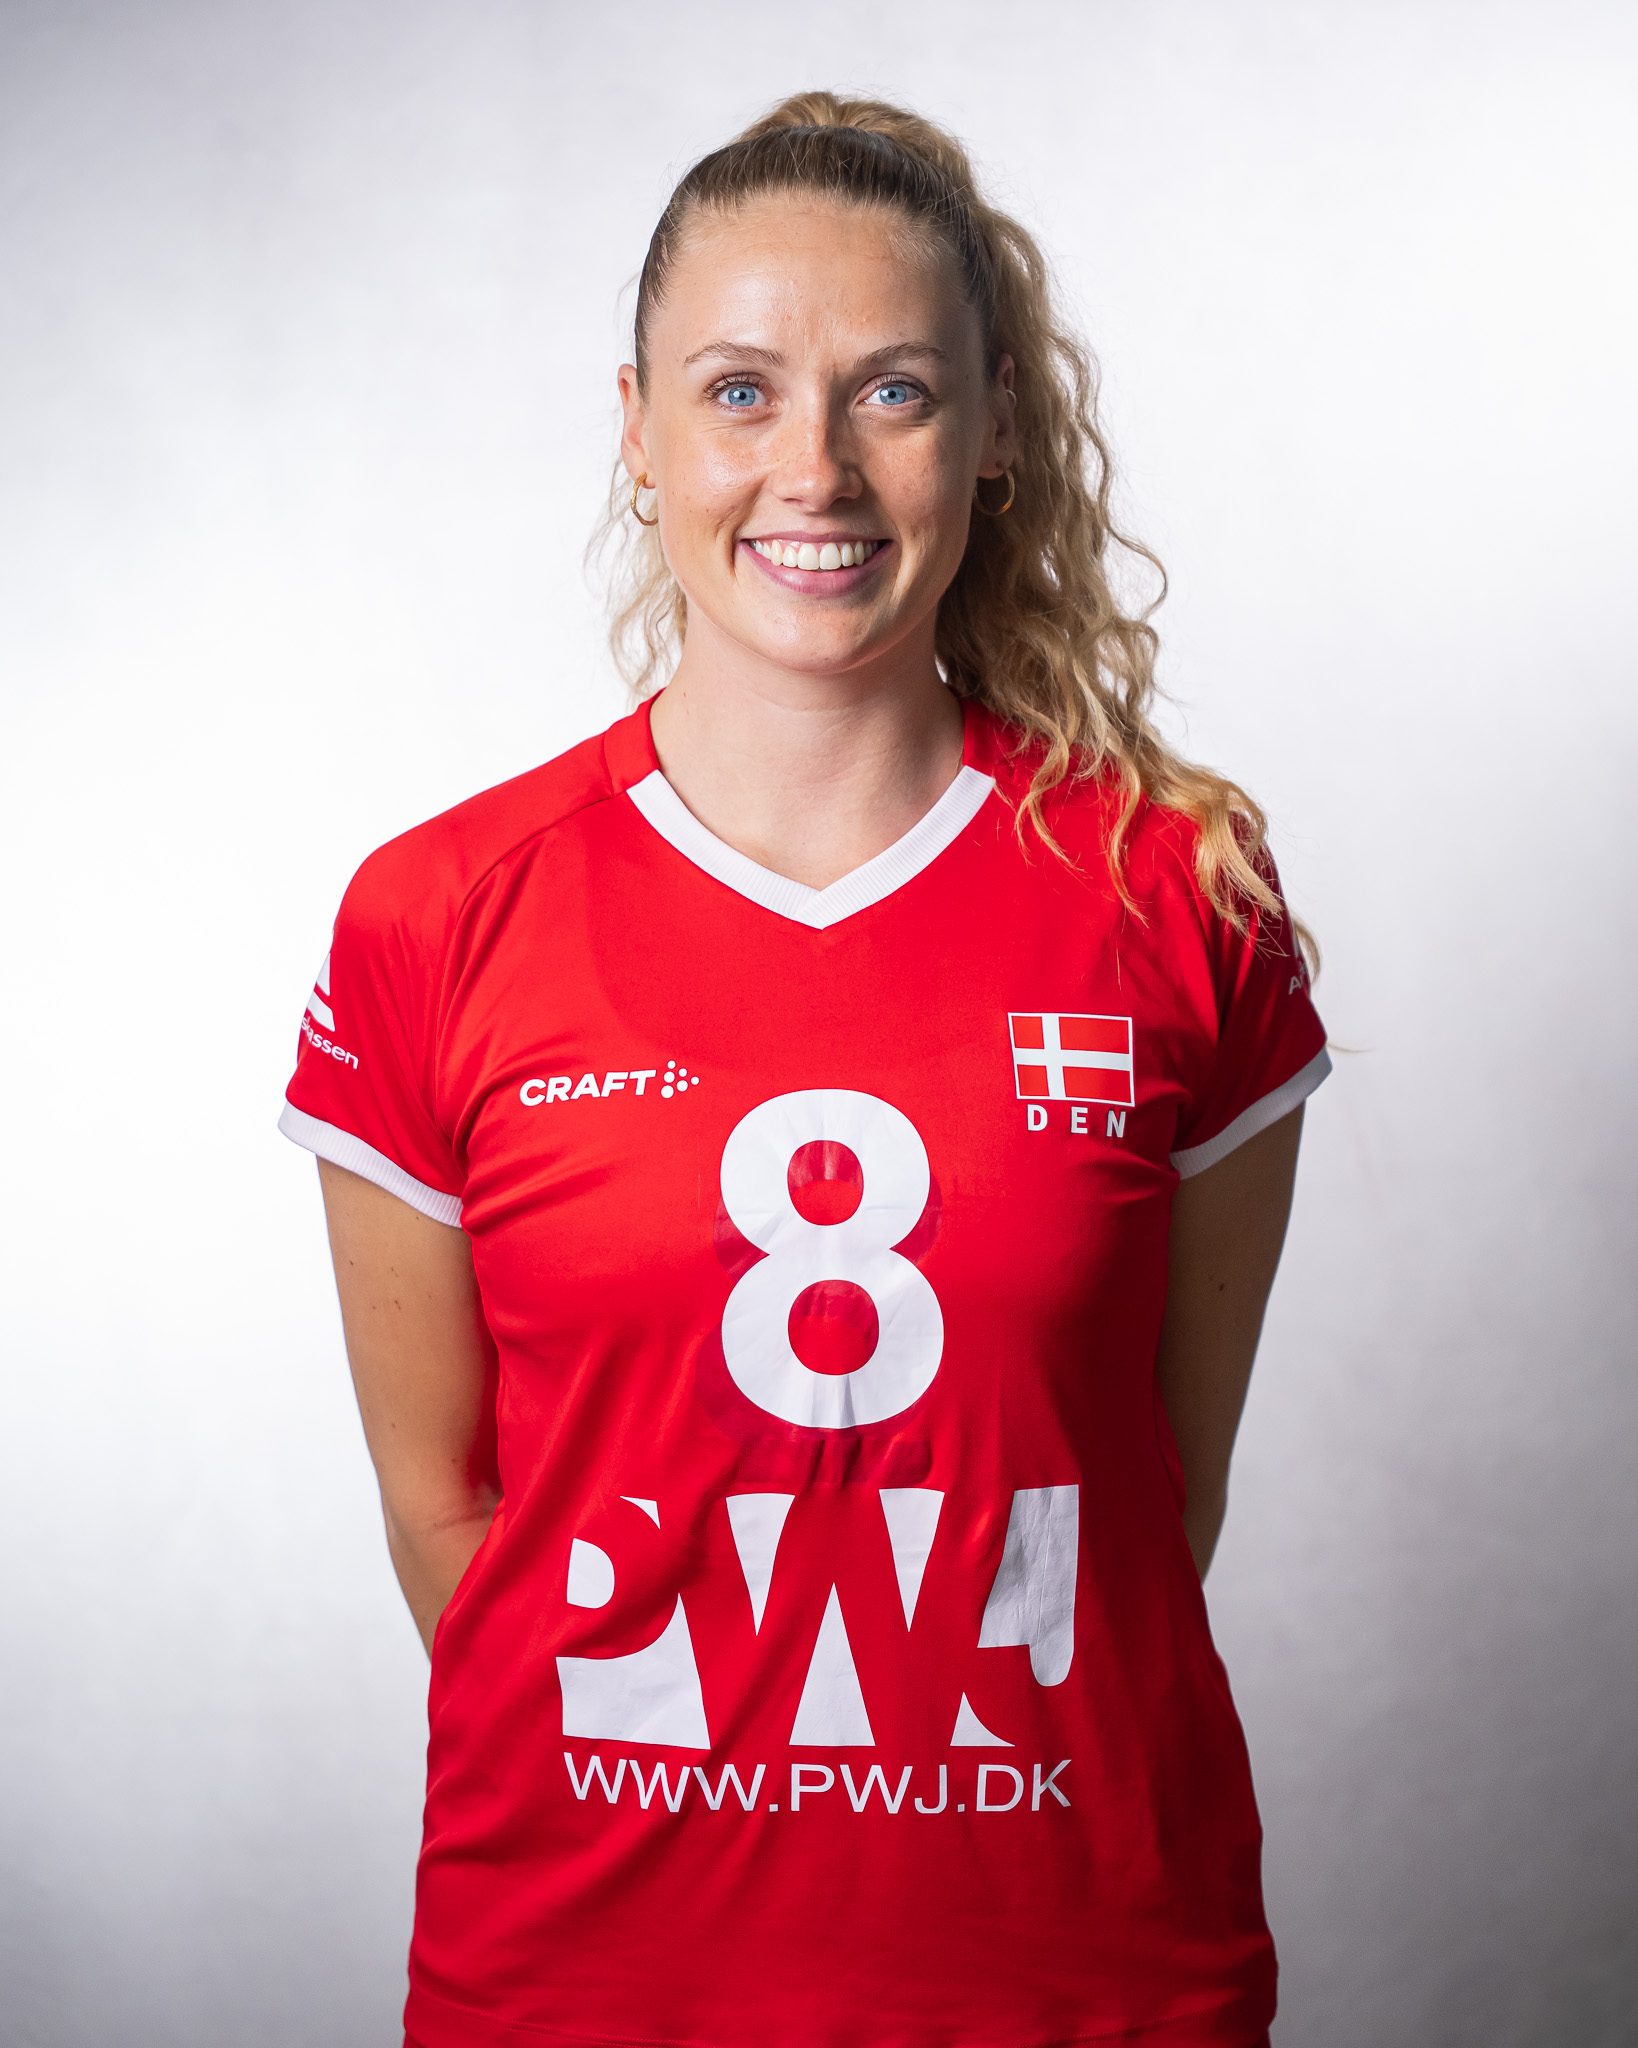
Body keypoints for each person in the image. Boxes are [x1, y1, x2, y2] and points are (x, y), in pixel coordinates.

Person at [281, 91, 1328, 2048]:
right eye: (741, 392)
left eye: (895, 392)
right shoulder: (439, 916)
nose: (815, 469)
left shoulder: (1178, 893)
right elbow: (450, 1518)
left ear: (998, 429)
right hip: (586, 1987)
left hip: (1084, 1980)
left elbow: (1148, 1501)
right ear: (639, 430)